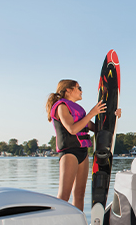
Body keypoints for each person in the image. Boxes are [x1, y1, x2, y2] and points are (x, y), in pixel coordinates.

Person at [45, 79, 120, 210]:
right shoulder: (61, 106)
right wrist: (92, 113)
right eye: (79, 88)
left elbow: (97, 128)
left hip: (83, 152)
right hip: (69, 153)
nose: (81, 91)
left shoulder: (79, 110)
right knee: (64, 196)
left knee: (79, 195)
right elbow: (72, 129)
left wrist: (114, 117)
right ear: (68, 90)